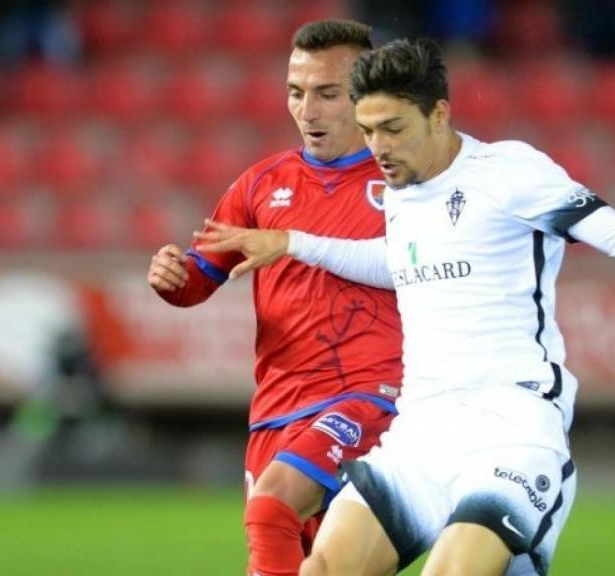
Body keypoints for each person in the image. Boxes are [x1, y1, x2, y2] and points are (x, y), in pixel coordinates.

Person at [194, 38, 615, 576]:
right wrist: (293, 242)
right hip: (421, 432)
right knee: (321, 567)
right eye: (369, 129)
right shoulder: (403, 190)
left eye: (394, 128)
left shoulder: (508, 173)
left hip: (510, 427)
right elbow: (400, 265)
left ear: (440, 113)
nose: (378, 147)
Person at [145, 20, 403, 576]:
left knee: (271, 507)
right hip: (277, 412)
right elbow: (200, 277)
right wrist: (173, 277)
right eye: (296, 92)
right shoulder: (262, 184)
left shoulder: (406, 186)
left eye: (327, 94)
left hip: (370, 397)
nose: (307, 110)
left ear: (364, 96)